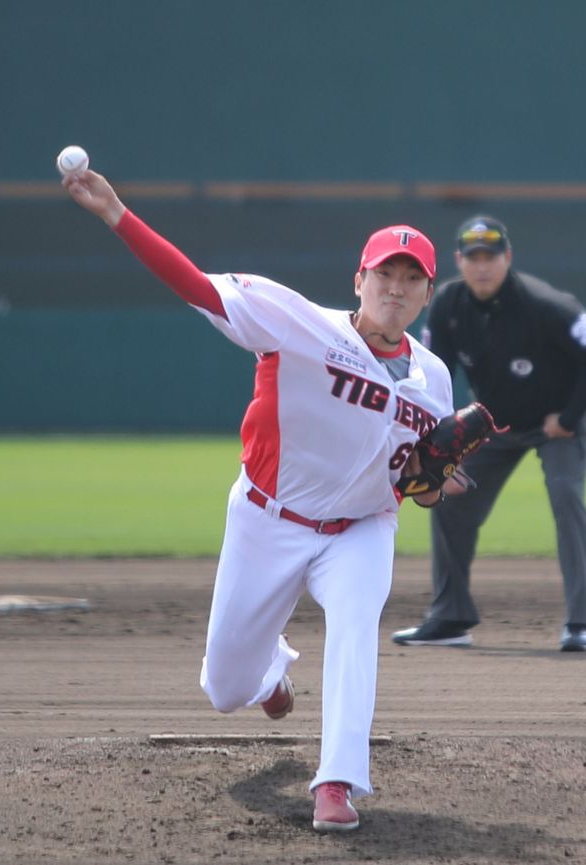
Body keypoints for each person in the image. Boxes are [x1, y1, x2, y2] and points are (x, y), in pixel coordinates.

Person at [61, 166, 453, 832]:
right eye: (385, 272)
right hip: (267, 520)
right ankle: (270, 672)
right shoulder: (298, 322)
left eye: (411, 277)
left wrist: (436, 480)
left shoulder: (434, 380)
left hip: (360, 528)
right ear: (358, 280)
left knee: (357, 622)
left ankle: (337, 782)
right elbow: (196, 286)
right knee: (225, 689)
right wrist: (117, 215)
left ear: (427, 293)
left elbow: (421, 486)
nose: (396, 286)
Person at [392, 215, 586, 653]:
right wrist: (437, 442)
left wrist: (570, 417)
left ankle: (581, 622)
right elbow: (435, 374)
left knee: (567, 498)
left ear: (507, 258)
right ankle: (450, 618)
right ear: (459, 260)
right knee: (447, 498)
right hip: (493, 425)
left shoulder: (546, 305)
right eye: (473, 257)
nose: (482, 266)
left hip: (556, 424)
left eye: (491, 256)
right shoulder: (448, 303)